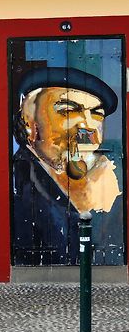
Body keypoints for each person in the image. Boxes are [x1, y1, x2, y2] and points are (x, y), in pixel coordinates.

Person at [13, 67, 121, 265]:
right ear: (28, 123)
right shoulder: (16, 184)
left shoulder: (113, 179)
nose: (87, 126)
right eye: (68, 110)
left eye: (97, 114)